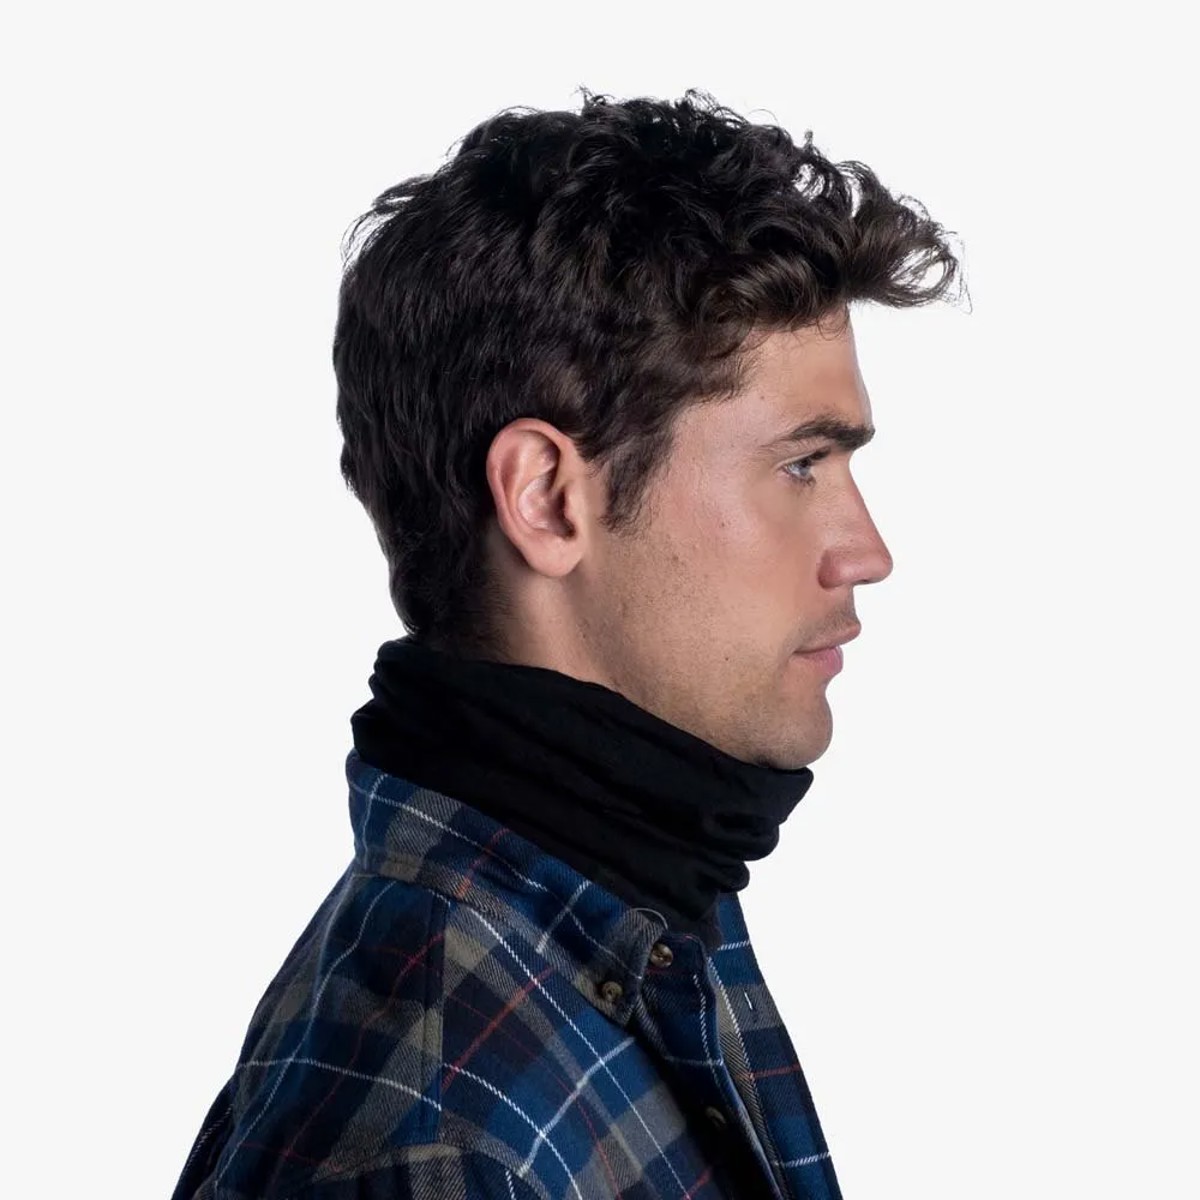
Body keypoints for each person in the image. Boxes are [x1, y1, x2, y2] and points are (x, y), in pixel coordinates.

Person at [171, 87, 961, 1200]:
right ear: (547, 497)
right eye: (800, 465)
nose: (865, 551)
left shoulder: (629, 907)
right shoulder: (439, 1147)